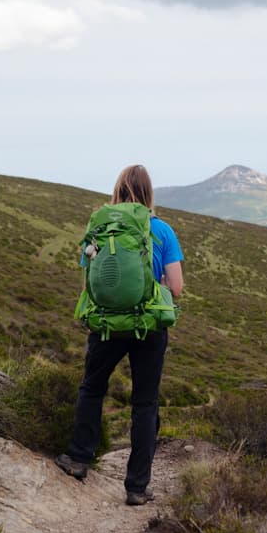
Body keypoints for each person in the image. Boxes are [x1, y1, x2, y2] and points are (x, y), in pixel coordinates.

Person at [55, 165, 184, 505]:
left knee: (92, 388)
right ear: (148, 193)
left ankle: (79, 459)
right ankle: (136, 487)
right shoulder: (162, 230)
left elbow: (92, 276)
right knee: (144, 404)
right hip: (148, 327)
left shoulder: (100, 229)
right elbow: (178, 287)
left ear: (117, 190)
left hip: (108, 325)